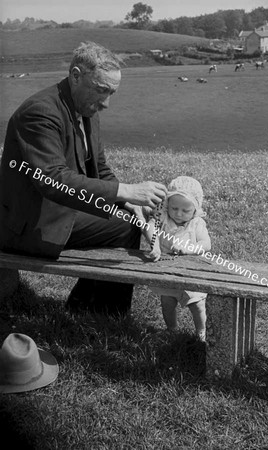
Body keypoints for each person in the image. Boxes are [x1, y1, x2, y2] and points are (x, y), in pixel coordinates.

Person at [0, 41, 167, 316]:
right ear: (76, 75)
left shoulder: (85, 107)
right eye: (102, 90)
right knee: (126, 228)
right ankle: (103, 316)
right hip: (28, 224)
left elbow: (99, 168)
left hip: (58, 212)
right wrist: (125, 191)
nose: (107, 103)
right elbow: (52, 180)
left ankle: (85, 310)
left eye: (112, 93)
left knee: (129, 221)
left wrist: (129, 204)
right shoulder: (40, 112)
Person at [143, 176, 211, 341]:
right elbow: (150, 227)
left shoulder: (196, 223)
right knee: (167, 303)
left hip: (191, 274)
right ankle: (172, 329)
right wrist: (155, 245)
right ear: (167, 204)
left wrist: (188, 249)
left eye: (185, 210)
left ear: (195, 209)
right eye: (174, 208)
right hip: (168, 272)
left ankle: (201, 332)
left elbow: (206, 244)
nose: (179, 214)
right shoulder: (163, 218)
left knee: (197, 305)